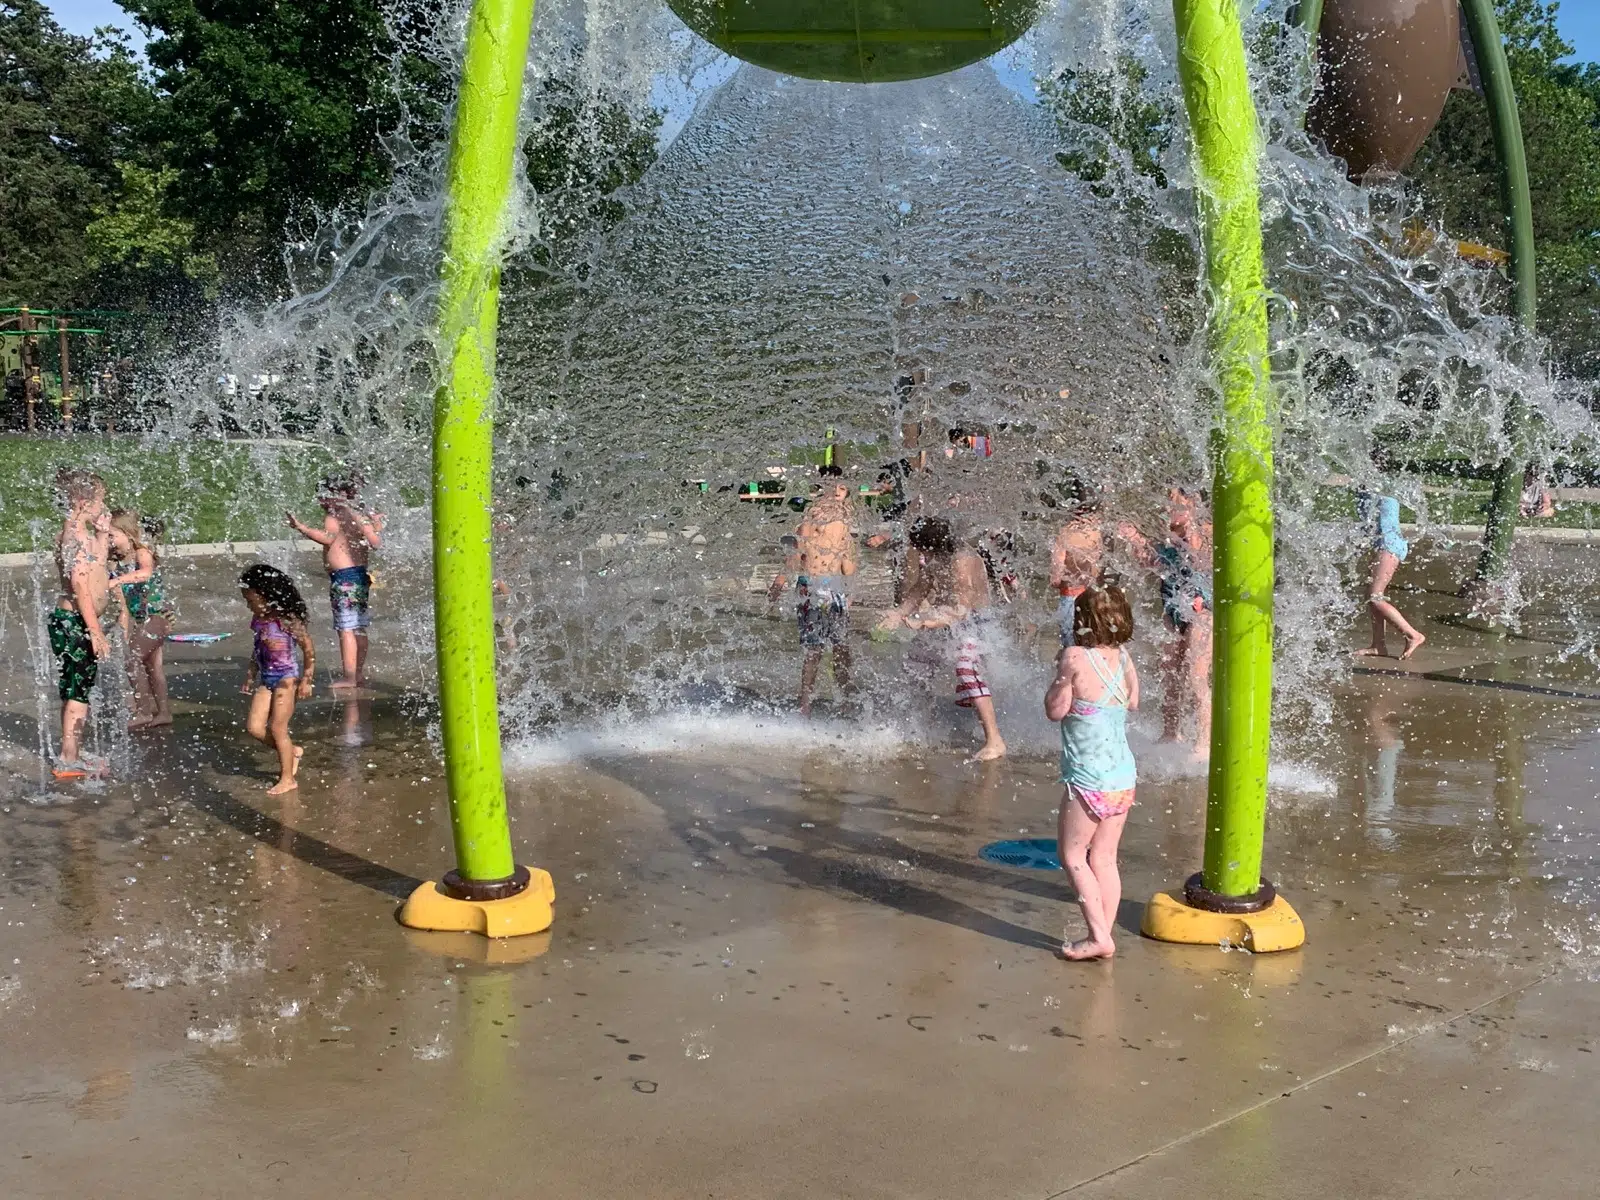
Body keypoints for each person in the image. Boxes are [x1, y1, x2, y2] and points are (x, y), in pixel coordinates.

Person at [1045, 585, 1139, 961]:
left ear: (1080, 621)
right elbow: (1133, 702)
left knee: (1072, 856)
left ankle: (1099, 936)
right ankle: (1103, 932)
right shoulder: (1125, 658)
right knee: (1104, 858)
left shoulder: (1074, 656)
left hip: (1087, 777)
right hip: (1122, 776)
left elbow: (1055, 710)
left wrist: (1063, 679)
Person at [877, 516, 1006, 761]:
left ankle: (995, 739)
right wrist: (899, 612)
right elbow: (920, 589)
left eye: (921, 547)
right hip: (944, 618)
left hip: (975, 623)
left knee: (966, 669)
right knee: (915, 663)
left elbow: (962, 607)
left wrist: (927, 620)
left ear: (932, 544)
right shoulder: (938, 558)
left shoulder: (963, 560)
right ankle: (926, 724)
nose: (919, 552)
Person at [1119, 487, 1213, 757]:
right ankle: (1171, 732)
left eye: (1174, 506)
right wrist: (1135, 540)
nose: (1166, 512)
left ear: (1193, 506)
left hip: (1203, 612)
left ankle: (1204, 742)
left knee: (1197, 676)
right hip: (1172, 610)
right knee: (1171, 675)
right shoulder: (1169, 539)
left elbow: (1202, 562)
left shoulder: (1205, 533)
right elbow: (1153, 563)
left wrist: (1190, 531)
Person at [767, 469, 858, 716]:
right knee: (817, 648)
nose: (837, 492)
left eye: (842, 488)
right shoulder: (814, 516)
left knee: (840, 647)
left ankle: (843, 698)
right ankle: (806, 702)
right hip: (814, 585)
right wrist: (780, 581)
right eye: (834, 487)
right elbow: (798, 556)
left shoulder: (844, 522)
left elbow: (848, 563)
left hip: (833, 587)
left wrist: (850, 590)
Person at [48, 469, 119, 777]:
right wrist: (95, 630)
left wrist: (103, 535)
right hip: (77, 621)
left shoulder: (81, 534)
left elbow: (97, 567)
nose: (104, 506)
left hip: (74, 620)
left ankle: (73, 750)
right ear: (82, 500)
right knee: (78, 692)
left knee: (76, 686)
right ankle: (68, 758)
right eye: (100, 500)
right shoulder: (74, 538)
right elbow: (80, 586)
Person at [286, 471, 383, 687]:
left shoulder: (334, 517)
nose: (319, 500)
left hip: (344, 580)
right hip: (360, 576)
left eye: (322, 495)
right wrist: (376, 523)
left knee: (346, 628)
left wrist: (302, 528)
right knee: (358, 626)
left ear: (335, 495)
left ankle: (349, 677)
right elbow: (374, 536)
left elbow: (327, 538)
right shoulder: (358, 514)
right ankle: (357, 673)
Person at [239, 564, 315, 795]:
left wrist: (307, 679)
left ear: (267, 596)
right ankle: (292, 751)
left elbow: (308, 649)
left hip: (286, 680)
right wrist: (251, 673)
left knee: (278, 727)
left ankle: (287, 778)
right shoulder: (258, 619)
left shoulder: (286, 620)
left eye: (251, 600)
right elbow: (257, 648)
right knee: (254, 727)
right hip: (266, 679)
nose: (249, 605)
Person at [107, 512, 176, 729]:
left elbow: (145, 573)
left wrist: (118, 579)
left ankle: (143, 711)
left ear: (128, 534)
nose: (108, 541)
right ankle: (164, 713)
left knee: (133, 659)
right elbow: (123, 606)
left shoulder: (142, 553)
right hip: (142, 620)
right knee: (153, 667)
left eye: (111, 535)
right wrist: (123, 628)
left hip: (158, 617)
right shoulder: (114, 564)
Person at [1355, 488, 1425, 660]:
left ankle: (1412, 634)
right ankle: (1378, 644)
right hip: (1385, 544)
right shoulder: (1375, 487)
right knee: (1373, 596)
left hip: (1388, 546)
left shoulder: (1379, 487)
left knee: (1374, 597)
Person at [1050, 495, 1105, 647]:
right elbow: (1097, 570)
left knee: (1070, 645)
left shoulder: (1065, 533)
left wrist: (1056, 579)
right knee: (1091, 643)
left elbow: (1056, 576)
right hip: (1091, 597)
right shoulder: (1096, 533)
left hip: (1070, 596)